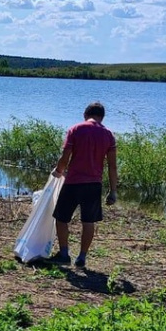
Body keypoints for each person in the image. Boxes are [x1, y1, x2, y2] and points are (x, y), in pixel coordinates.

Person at [50, 102, 118, 268]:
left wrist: (58, 171)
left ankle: (64, 254)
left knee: (61, 218)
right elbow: (112, 166)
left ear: (85, 114)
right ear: (102, 117)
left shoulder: (75, 129)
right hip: (94, 185)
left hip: (73, 182)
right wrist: (113, 191)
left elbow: (65, 157)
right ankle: (82, 257)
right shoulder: (108, 135)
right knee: (88, 221)